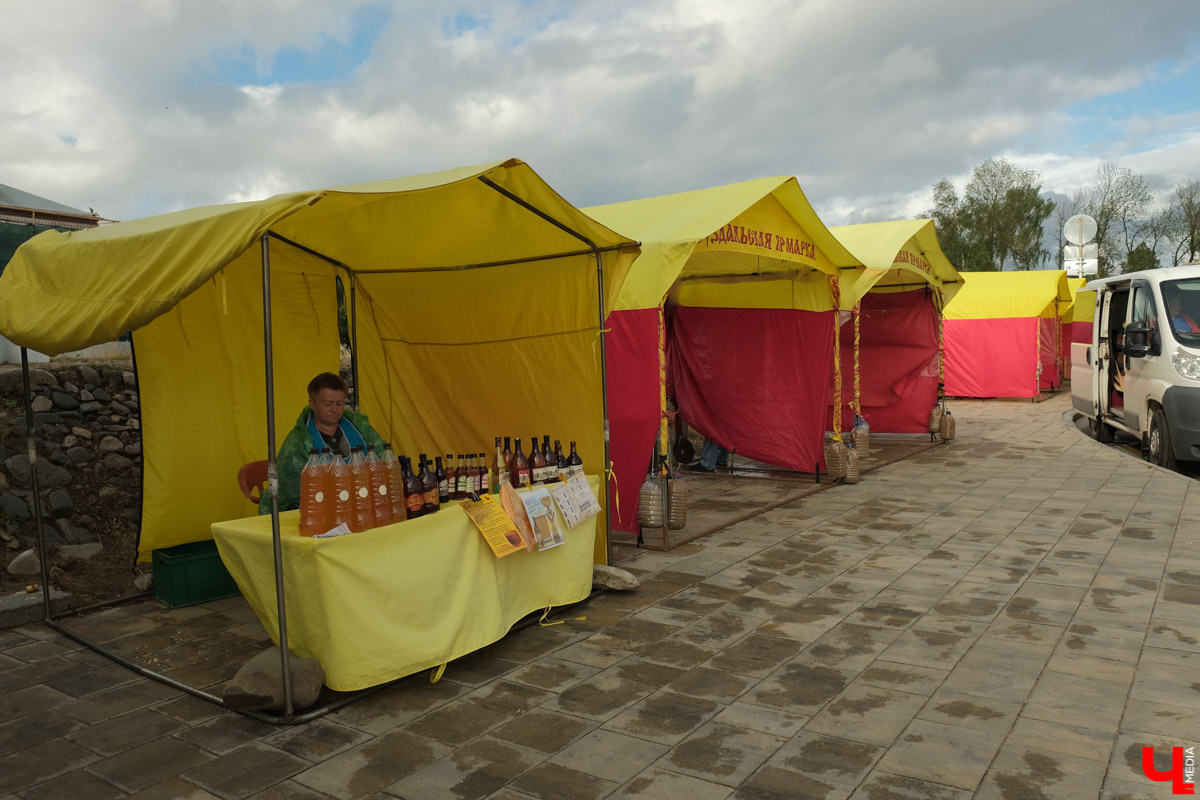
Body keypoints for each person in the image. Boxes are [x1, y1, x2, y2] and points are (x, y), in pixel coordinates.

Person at [258, 372, 387, 515]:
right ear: (312, 403)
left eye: (340, 403)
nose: (335, 409)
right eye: (328, 404)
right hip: (315, 512)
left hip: (364, 506)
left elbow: (383, 460)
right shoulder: (298, 441)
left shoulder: (360, 427)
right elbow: (297, 492)